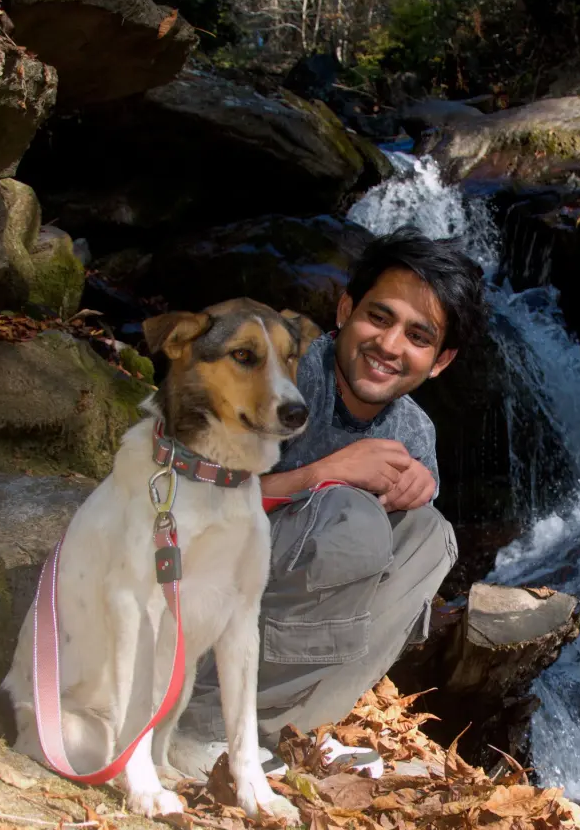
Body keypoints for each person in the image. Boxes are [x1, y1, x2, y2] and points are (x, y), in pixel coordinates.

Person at [170, 225, 487, 776]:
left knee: (430, 536)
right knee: (350, 517)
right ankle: (198, 726)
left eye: (418, 335)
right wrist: (322, 473)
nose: (389, 345)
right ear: (345, 309)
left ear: (440, 360)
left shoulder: (414, 432)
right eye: (379, 317)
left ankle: (282, 727)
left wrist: (414, 493)